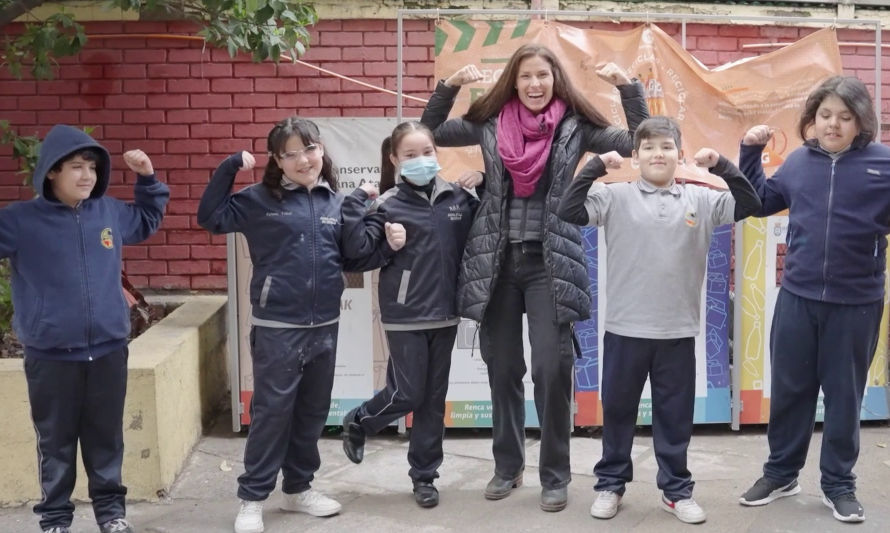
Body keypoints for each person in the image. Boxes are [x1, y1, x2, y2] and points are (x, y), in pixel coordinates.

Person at [420, 43, 649, 512]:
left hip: (551, 264)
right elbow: (431, 133)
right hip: (498, 263)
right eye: (525, 76)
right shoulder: (489, 122)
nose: (534, 85)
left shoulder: (575, 126)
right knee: (503, 370)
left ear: (556, 79)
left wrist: (628, 88)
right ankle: (507, 466)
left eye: (543, 75)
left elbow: (637, 141)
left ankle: (555, 475)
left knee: (551, 370)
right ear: (513, 81)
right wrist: (449, 87)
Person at [557, 116, 761, 524]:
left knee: (674, 417)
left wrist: (721, 164)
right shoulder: (615, 197)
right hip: (624, 329)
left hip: (677, 332)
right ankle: (610, 485)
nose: (657, 154)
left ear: (679, 155)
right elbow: (568, 208)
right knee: (617, 412)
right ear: (636, 155)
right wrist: (596, 166)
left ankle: (676, 490)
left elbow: (751, 204)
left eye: (666, 146)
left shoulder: (701, 200)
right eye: (648, 146)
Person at [197, 117, 381, 533]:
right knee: (272, 413)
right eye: (291, 153)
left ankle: (298, 489)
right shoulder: (259, 199)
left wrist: (386, 238)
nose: (303, 159)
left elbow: (352, 260)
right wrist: (228, 168)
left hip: (325, 326)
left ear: (321, 151)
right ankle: (252, 497)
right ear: (277, 161)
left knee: (311, 412)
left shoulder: (335, 202)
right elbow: (210, 218)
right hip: (278, 326)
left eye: (310, 149)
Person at [736, 76, 890, 524]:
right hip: (798, 297)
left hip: (856, 303)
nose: (834, 124)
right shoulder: (799, 162)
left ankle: (838, 484)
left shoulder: (883, 164)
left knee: (844, 398)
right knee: (790, 392)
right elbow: (759, 202)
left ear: (861, 121)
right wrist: (749, 153)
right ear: (812, 118)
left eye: (845, 117)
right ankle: (781, 473)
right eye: (825, 115)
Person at [0, 125, 169, 533]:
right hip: (51, 354)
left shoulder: (108, 212)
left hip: (109, 349)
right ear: (52, 173)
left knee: (106, 439)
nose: (87, 176)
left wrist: (147, 178)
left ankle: (111, 514)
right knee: (55, 443)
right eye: (76, 167)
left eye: (92, 167)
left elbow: (147, 220)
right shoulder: (19, 221)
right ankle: (55, 519)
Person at [339, 121, 479, 508]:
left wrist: (482, 181)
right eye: (410, 155)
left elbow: (482, 241)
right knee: (409, 392)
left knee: (433, 402)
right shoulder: (386, 204)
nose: (421, 161)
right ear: (394, 159)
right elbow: (356, 257)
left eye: (427, 152)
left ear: (437, 153)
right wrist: (386, 244)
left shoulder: (458, 198)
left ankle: (424, 477)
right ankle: (361, 419)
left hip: (447, 313)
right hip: (405, 314)